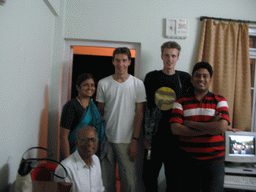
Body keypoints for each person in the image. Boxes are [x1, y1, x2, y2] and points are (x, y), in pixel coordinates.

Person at [170, 62, 230, 192]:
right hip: (187, 160)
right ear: (192, 79)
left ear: (210, 79)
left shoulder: (220, 100)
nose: (201, 79)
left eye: (205, 76)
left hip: (215, 161)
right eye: (197, 76)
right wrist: (210, 128)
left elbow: (221, 128)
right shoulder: (180, 101)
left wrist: (190, 124)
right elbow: (175, 129)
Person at [143, 41, 192, 191]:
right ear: (161, 56)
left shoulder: (184, 78)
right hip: (154, 138)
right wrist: (145, 136)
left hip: (176, 138)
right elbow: (146, 108)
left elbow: (190, 106)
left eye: (173, 56)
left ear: (177, 57)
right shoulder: (152, 77)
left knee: (174, 179)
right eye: (166, 55)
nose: (169, 59)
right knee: (149, 177)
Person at [96, 47, 146, 192]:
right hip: (106, 140)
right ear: (113, 61)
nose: (121, 64)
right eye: (117, 60)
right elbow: (99, 112)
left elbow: (140, 114)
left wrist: (135, 140)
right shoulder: (103, 83)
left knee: (129, 183)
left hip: (128, 141)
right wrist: (98, 138)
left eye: (124, 60)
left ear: (129, 62)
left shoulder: (138, 84)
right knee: (106, 183)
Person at [60, 73, 106, 160]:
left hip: (91, 152)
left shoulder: (93, 106)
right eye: (86, 85)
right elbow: (63, 136)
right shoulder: (71, 106)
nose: (90, 88)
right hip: (74, 153)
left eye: (92, 85)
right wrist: (67, 160)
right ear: (78, 87)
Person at [55, 126, 105, 192]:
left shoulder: (96, 159)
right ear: (76, 142)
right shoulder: (66, 168)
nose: (90, 144)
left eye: (93, 140)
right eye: (85, 140)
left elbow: (100, 189)